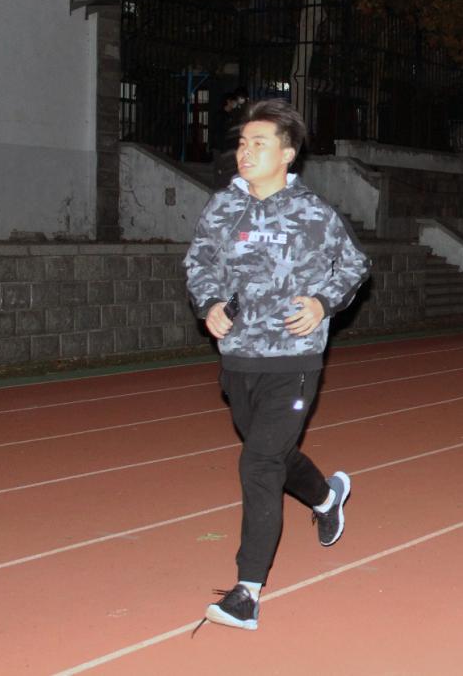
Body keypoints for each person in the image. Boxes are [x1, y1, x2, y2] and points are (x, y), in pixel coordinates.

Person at [184, 99, 371, 632]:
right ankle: (326, 496)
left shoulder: (314, 212)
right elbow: (199, 263)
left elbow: (355, 264)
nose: (245, 152)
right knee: (274, 452)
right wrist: (209, 304)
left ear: (287, 155)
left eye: (259, 144)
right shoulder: (223, 207)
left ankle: (246, 592)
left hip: (295, 357)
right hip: (239, 356)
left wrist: (323, 303)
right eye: (243, 143)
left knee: (259, 462)